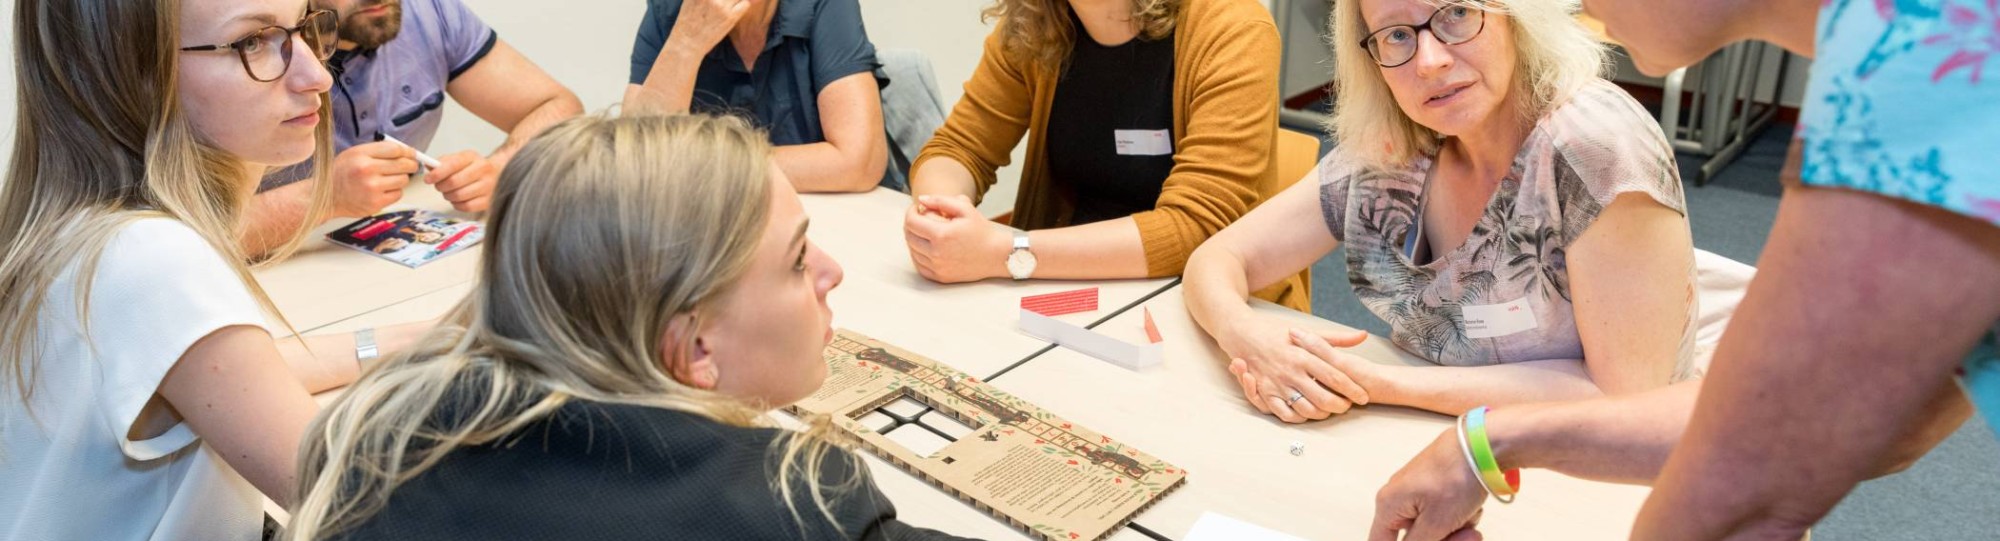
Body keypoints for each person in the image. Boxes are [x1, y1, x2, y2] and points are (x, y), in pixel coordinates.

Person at [1367, 0, 2000, 539]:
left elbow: (1756, 467)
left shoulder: (1940, 62)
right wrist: (1489, 442)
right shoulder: (1916, 44)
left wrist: (1486, 441)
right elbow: (1868, 413)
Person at [284, 114, 975, 541]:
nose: (831, 271)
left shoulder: (376, 440)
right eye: (796, 259)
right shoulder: (798, 502)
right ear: (695, 346)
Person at [0, 1, 425, 539]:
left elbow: (237, 377)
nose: (317, 75)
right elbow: (374, 511)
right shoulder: (150, 259)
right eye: (252, 42)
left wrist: (431, 340)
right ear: (133, 74)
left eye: (305, 28)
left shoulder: (88, 229)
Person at [1185, 0, 1721, 423]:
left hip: (1595, 470)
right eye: (1396, 34)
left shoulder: (1595, 148)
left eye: (1458, 14)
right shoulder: (1394, 145)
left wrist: (1381, 383)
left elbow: (1625, 401)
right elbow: (1219, 258)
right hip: (1436, 436)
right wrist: (1244, 334)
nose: (1430, 60)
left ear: (1514, 16)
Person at [902, 0, 1311, 311]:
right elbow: (959, 147)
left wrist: (1007, 251)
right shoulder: (1034, 23)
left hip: (1212, 308)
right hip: (1067, 287)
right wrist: (940, 213)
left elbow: (1195, 227)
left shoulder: (1233, 27)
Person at [245, 0, 584, 256]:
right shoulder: (245, 51)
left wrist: (499, 169)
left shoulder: (429, 13)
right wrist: (323, 198)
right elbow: (198, 234)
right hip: (270, 276)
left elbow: (558, 108)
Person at [626, 0, 890, 193]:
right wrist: (687, 40)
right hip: (711, 227)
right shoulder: (667, 11)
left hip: (826, 217)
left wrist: (704, 168)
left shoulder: (822, 5)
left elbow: (860, 162)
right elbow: (635, 164)